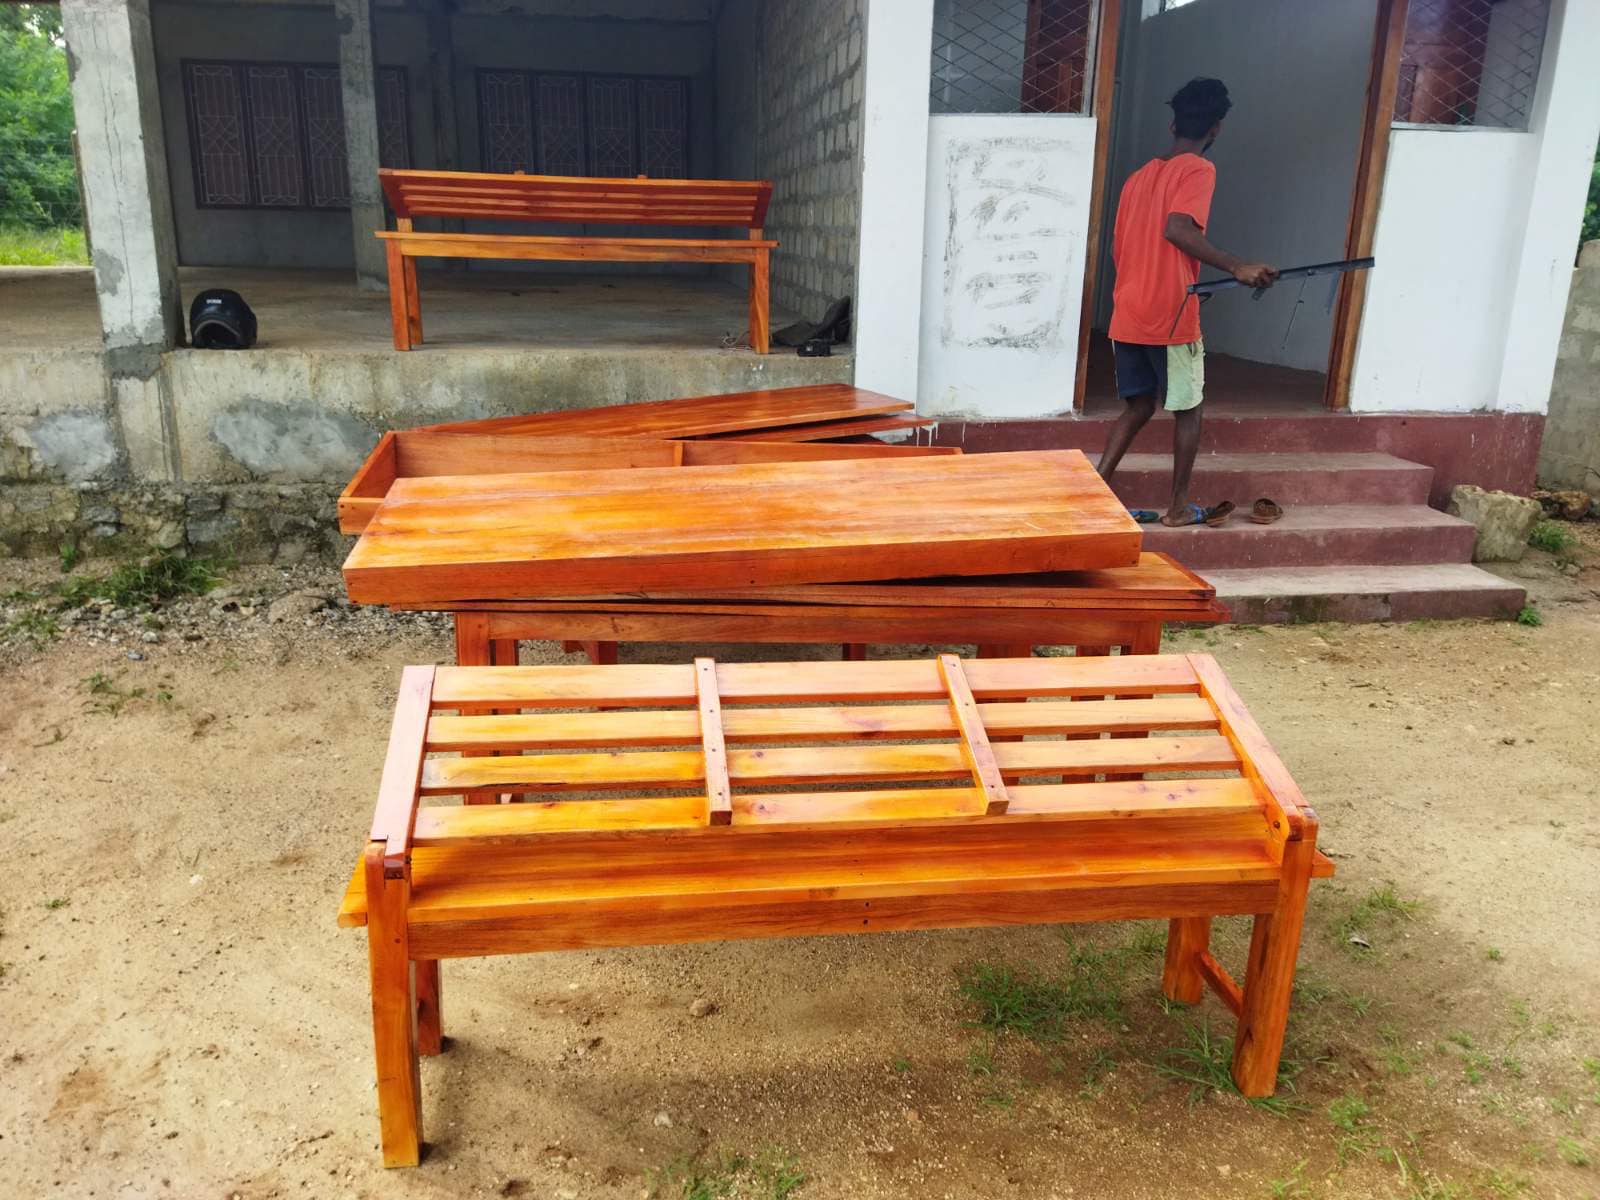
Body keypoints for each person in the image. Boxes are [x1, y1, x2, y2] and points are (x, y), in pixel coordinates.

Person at [1096, 77, 1277, 527]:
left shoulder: (1137, 178)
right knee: (1188, 409)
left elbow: (1121, 249)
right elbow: (1177, 229)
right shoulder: (1198, 170)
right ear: (1216, 128)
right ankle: (1177, 508)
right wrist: (1237, 266)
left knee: (1138, 406)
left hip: (1128, 312)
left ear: (1173, 124)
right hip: (1170, 316)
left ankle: (1094, 493)